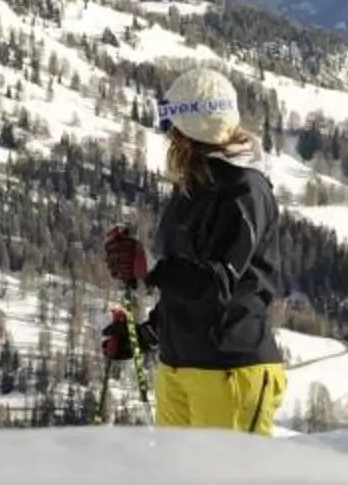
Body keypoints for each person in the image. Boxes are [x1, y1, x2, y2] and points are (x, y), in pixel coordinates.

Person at [101, 67, 287, 433]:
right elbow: (183, 285)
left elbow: (218, 283)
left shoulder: (245, 192)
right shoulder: (194, 187)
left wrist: (151, 267)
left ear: (192, 132)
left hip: (230, 372)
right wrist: (149, 335)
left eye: (174, 128)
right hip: (179, 370)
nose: (169, 138)